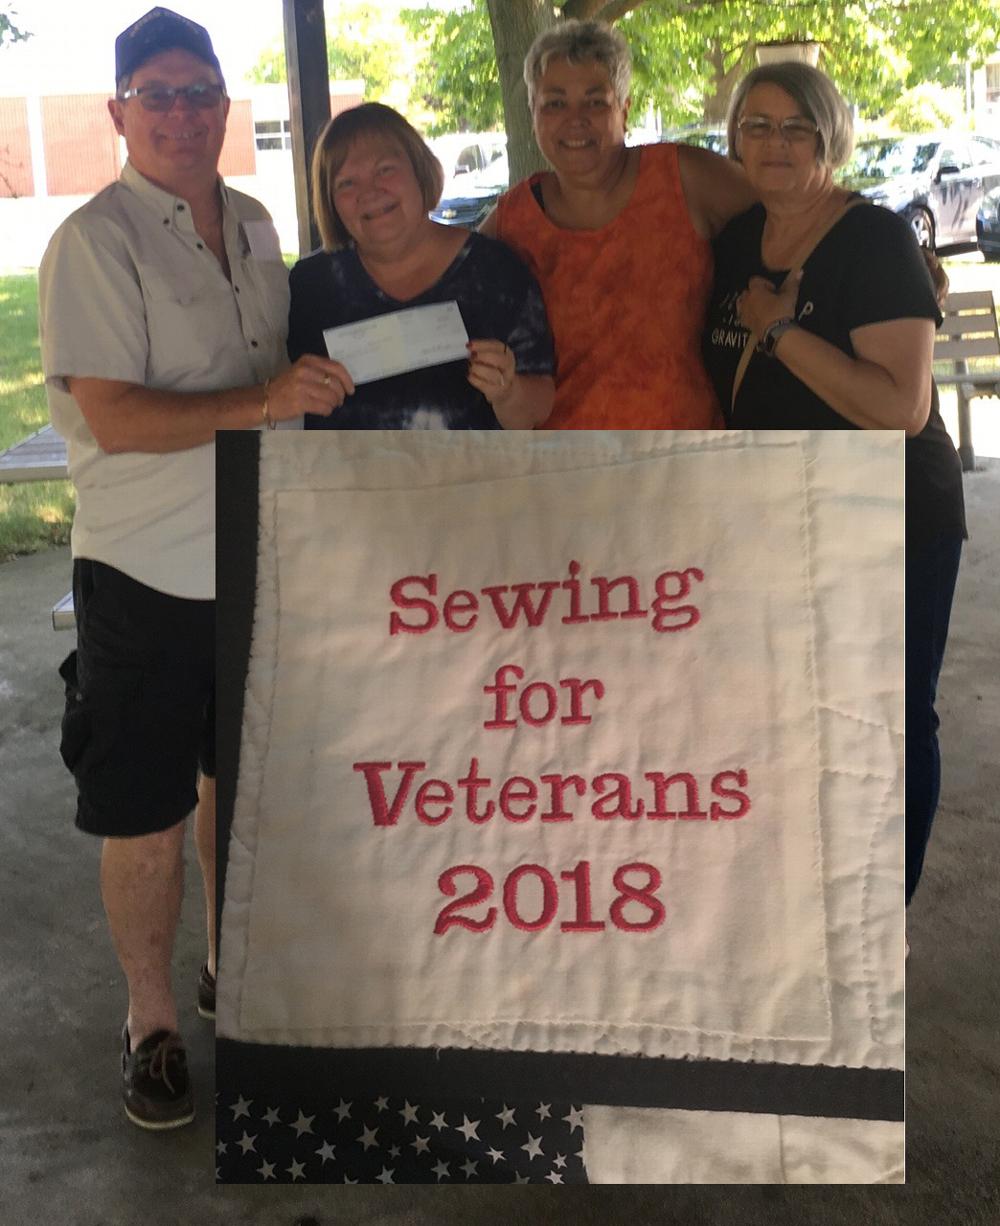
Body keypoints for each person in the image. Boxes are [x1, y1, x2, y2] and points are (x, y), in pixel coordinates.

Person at [37, 6, 346, 1130]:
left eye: (199, 93)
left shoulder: (258, 222)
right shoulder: (94, 241)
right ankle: (152, 1022)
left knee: (239, 785)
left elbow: (297, 365)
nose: (181, 114)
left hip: (262, 553)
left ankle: (227, 966)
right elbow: (115, 418)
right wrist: (265, 402)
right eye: (156, 95)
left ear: (224, 105)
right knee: (146, 812)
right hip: (147, 574)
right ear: (118, 113)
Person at [701, 61, 966, 909]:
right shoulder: (736, 239)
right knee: (796, 710)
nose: (775, 143)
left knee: (890, 715)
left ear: (830, 137)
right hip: (783, 513)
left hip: (893, 514)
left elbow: (900, 409)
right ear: (735, 138)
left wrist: (780, 331)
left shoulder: (873, 238)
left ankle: (881, 916)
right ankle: (813, 897)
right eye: (757, 125)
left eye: (797, 128)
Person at [480, 19, 756, 430]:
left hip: (687, 452)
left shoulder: (683, 178)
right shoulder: (513, 219)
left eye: (595, 102)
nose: (575, 119)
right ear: (533, 114)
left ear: (624, 110)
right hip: (565, 460)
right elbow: (444, 290)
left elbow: (797, 213)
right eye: (555, 103)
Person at [288, 103, 555, 430]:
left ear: (419, 170)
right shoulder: (311, 287)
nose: (370, 192)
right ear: (329, 201)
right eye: (346, 183)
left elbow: (536, 410)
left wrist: (508, 392)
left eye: (385, 169)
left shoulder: (495, 271)